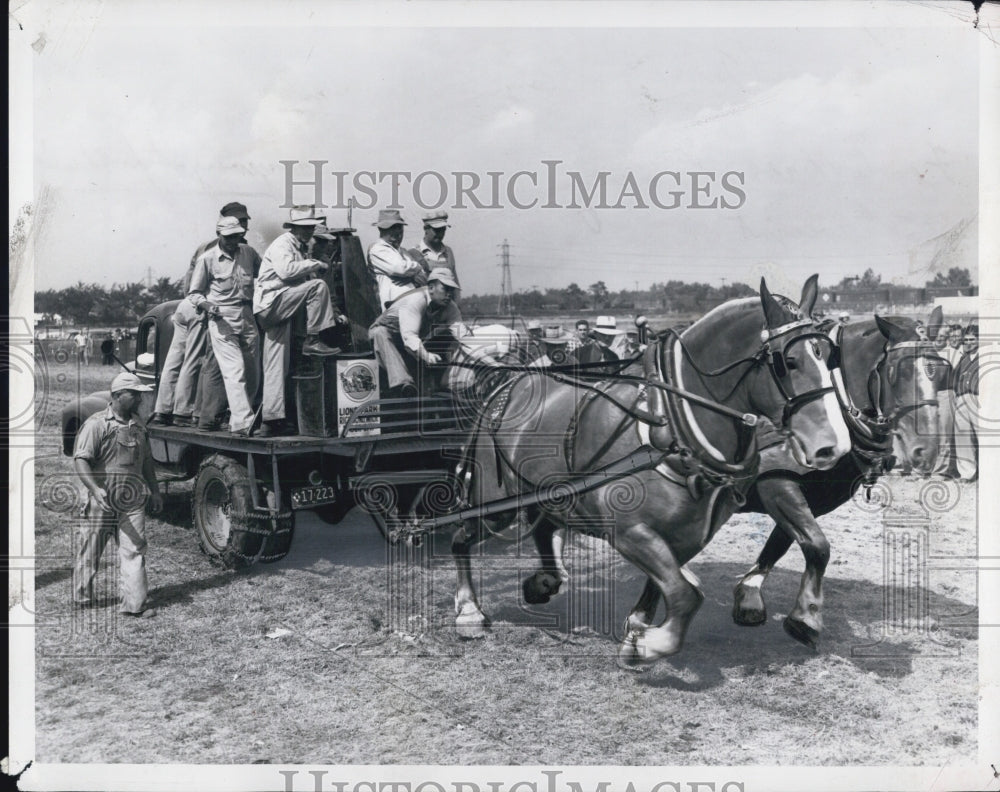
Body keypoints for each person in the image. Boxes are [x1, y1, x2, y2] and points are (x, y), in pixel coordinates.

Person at [152, 201, 253, 428]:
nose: (244, 226)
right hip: (203, 306)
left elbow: (189, 284)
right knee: (197, 361)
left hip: (185, 306)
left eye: (245, 221)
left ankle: (162, 410)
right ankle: (185, 413)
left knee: (175, 360)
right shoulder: (219, 250)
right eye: (241, 221)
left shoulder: (206, 246)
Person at [73, 371, 163, 618]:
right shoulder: (97, 424)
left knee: (134, 550)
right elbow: (81, 460)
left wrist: (154, 491)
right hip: (101, 501)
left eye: (139, 395)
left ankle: (135, 605)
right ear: (116, 396)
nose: (139, 399)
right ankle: (81, 597)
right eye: (133, 394)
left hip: (132, 502)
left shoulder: (138, 425)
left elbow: (146, 462)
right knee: (91, 549)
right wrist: (94, 489)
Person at [254, 205, 342, 437]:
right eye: (304, 227)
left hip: (275, 307)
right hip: (273, 302)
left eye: (310, 227)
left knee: (275, 363)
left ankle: (271, 421)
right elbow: (286, 272)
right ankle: (313, 338)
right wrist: (316, 264)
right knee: (317, 286)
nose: (308, 231)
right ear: (293, 227)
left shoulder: (300, 247)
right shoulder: (284, 244)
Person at [187, 216, 262, 436]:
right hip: (221, 318)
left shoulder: (249, 254)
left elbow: (264, 275)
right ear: (218, 234)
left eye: (237, 236)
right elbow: (194, 293)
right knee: (234, 370)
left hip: (248, 315)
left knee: (252, 371)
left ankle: (239, 415)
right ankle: (242, 423)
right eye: (229, 237)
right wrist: (208, 305)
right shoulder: (207, 259)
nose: (233, 240)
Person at [368, 268, 462, 397]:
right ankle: (404, 384)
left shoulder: (451, 307)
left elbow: (462, 334)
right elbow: (409, 336)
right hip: (387, 337)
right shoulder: (415, 300)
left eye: (451, 290)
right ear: (431, 288)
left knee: (447, 338)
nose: (449, 294)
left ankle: (441, 386)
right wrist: (427, 356)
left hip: (410, 340)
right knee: (380, 332)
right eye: (445, 288)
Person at [367, 209, 427, 310]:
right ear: (381, 229)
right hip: (394, 306)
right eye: (392, 228)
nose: (397, 231)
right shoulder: (377, 249)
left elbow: (424, 277)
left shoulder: (403, 251)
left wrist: (412, 278)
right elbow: (399, 268)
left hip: (414, 305)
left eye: (399, 227)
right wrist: (417, 267)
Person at [932, 323, 964, 478]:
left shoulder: (957, 353)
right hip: (933, 395)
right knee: (933, 433)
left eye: (943, 337)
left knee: (946, 433)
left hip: (949, 393)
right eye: (937, 336)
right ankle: (931, 467)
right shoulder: (933, 351)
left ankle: (943, 469)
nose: (939, 339)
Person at [952, 324, 979, 483]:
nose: (968, 342)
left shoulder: (986, 356)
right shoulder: (963, 357)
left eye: (972, 340)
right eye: (966, 340)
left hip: (980, 398)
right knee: (962, 436)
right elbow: (955, 378)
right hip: (962, 398)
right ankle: (967, 473)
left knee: (984, 436)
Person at [410, 211, 458, 285]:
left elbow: (455, 283)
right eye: (436, 230)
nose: (440, 234)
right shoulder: (414, 253)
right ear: (425, 229)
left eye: (443, 229)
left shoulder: (448, 252)